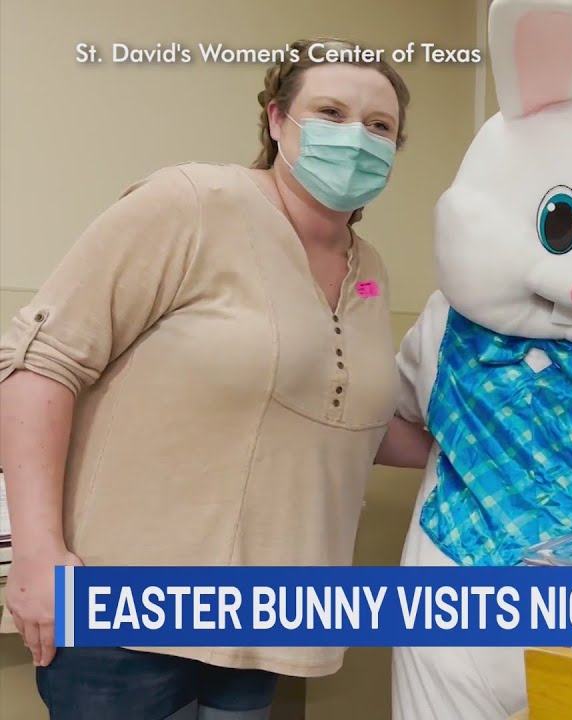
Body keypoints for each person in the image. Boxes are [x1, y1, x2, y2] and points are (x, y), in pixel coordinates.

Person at [0, 37, 431, 720]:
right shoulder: (191, 205)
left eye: (378, 126)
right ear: (276, 120)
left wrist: (497, 449)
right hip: (127, 618)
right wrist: (38, 552)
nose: (356, 138)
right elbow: (38, 364)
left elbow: (349, 419)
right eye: (330, 112)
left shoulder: (369, 267)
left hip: (266, 622)